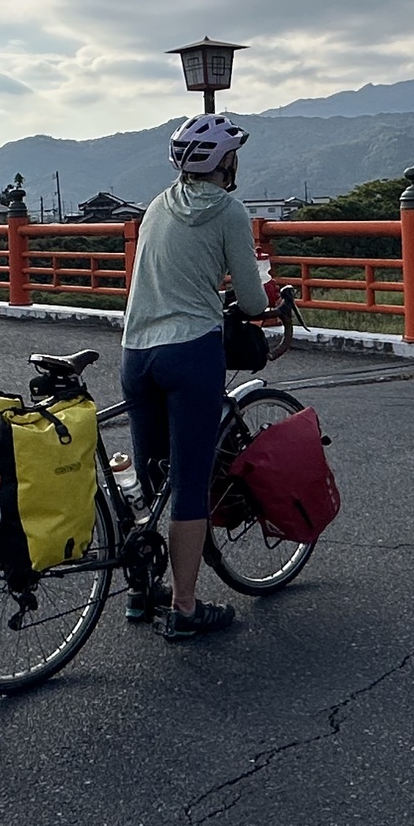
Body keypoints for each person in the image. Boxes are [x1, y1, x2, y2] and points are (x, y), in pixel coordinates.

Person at [119, 112, 269, 640]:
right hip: (189, 353)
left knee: (151, 477)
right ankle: (184, 608)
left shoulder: (157, 205)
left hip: (136, 354)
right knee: (188, 482)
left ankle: (141, 590)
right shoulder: (229, 210)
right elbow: (252, 300)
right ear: (225, 164)